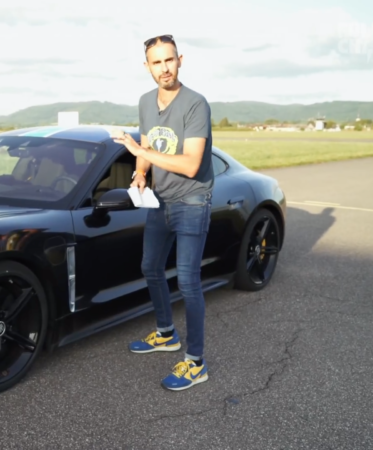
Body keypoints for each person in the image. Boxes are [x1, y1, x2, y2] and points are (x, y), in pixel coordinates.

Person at [112, 34, 215, 391]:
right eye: (157, 62)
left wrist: (138, 150)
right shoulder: (144, 101)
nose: (164, 68)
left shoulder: (195, 104)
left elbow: (190, 164)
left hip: (191, 200)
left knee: (187, 281)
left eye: (169, 60)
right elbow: (148, 146)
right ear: (147, 67)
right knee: (150, 267)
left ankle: (195, 362)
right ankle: (166, 333)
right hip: (161, 201)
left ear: (180, 60)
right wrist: (140, 172)